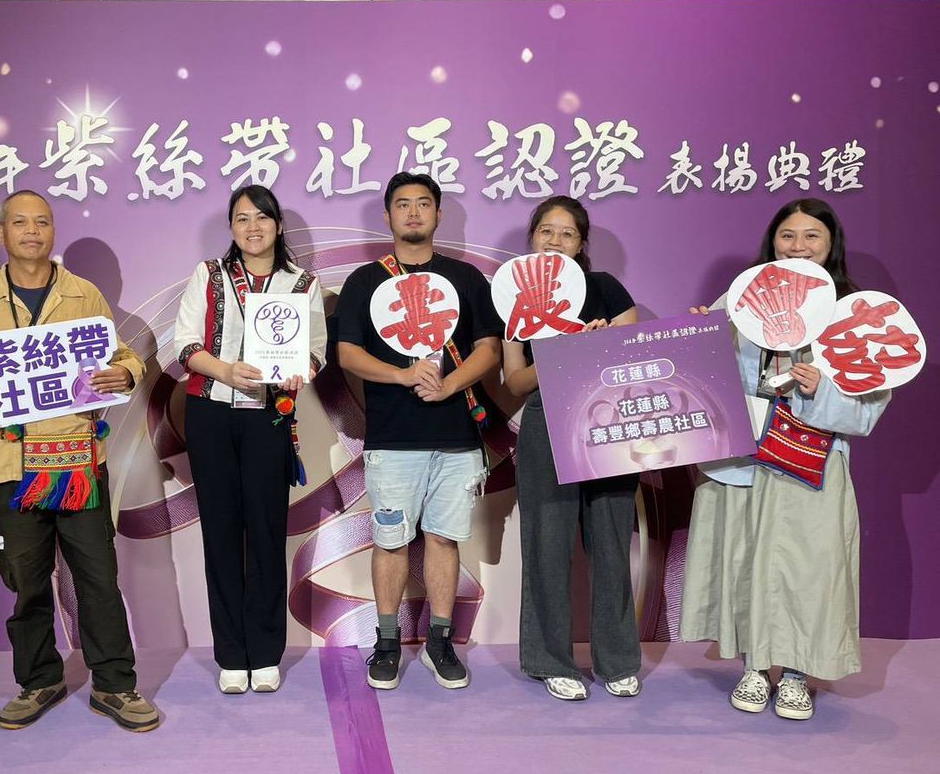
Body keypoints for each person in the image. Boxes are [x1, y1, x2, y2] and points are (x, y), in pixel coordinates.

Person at [0, 190, 159, 733]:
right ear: (2, 233)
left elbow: (123, 356)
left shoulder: (84, 294)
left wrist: (125, 373)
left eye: (41, 222)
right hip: (11, 464)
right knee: (27, 582)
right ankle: (39, 680)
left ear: (53, 231)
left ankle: (114, 684)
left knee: (98, 578)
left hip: (77, 462)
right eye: (20, 222)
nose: (31, 231)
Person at [680, 199, 889, 721]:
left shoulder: (852, 313)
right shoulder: (741, 298)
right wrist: (700, 338)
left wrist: (821, 390)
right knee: (744, 560)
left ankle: (796, 674)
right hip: (743, 457)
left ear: (831, 243)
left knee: (807, 569)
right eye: (787, 235)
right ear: (772, 241)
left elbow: (866, 414)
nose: (798, 246)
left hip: (811, 461)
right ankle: (754, 667)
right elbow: (703, 381)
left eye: (812, 236)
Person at [336, 172, 502, 690]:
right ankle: (386, 643)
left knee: (444, 540)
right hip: (392, 439)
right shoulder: (365, 281)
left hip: (456, 439)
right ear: (388, 215)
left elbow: (490, 349)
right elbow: (347, 353)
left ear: (438, 214)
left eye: (423, 203)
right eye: (403, 204)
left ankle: (439, 642)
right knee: (389, 542)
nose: (413, 212)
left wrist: (450, 384)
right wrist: (403, 375)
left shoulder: (466, 278)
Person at [174, 184, 326, 694]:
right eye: (242, 218)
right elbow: (185, 344)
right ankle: (230, 654)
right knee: (220, 532)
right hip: (210, 412)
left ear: (278, 226)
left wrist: (301, 370)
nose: (252, 227)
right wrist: (225, 370)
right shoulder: (209, 275)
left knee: (265, 531)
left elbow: (316, 349)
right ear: (231, 228)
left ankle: (264, 653)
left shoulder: (301, 283)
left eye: (262, 217)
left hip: (269, 416)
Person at [502, 197, 643, 702]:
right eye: (546, 230)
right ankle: (550, 661)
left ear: (582, 243)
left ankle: (618, 661)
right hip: (546, 418)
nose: (555, 240)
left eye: (567, 233)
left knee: (611, 543)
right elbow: (515, 381)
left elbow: (636, 355)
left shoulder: (605, 288)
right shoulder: (516, 297)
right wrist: (562, 353)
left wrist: (598, 347)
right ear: (532, 237)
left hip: (609, 418)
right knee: (547, 544)